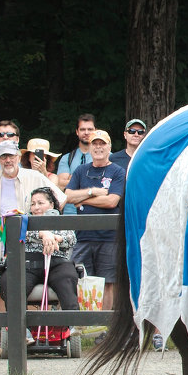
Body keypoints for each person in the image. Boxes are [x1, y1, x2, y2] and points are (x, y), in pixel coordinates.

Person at [0, 141, 66, 312]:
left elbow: (60, 200)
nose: (7, 160)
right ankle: (7, 334)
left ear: (18, 157)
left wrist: (45, 224)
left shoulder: (34, 177)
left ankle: (32, 332)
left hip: (33, 241)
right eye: (3, 156)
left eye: (11, 156)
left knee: (30, 286)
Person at [65, 129, 125, 309]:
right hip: (83, 236)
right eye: (94, 144)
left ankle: (105, 326)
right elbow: (68, 196)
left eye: (102, 144)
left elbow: (112, 201)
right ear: (89, 147)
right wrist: (93, 192)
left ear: (110, 147)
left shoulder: (118, 171)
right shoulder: (81, 170)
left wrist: (82, 197)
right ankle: (84, 326)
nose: (98, 148)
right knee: (80, 279)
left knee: (109, 282)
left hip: (109, 236)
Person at [6, 188, 80, 313]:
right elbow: (21, 234)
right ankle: (21, 331)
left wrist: (57, 238)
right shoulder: (24, 220)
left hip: (57, 263)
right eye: (33, 204)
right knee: (12, 281)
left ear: (51, 205)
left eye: (40, 203)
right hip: (27, 264)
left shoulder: (61, 220)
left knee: (67, 278)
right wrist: (43, 234)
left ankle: (73, 326)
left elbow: (72, 239)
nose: (36, 207)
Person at [56, 114, 97, 190]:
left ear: (95, 131)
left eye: (90, 129)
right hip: (71, 201)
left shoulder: (108, 156)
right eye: (82, 129)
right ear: (77, 132)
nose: (86, 132)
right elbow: (60, 185)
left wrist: (73, 178)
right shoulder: (67, 158)